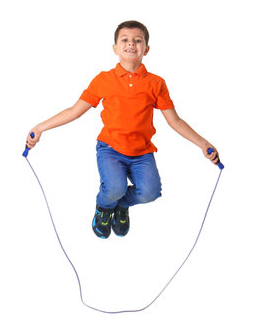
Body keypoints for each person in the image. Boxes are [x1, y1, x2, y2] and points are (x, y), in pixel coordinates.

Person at [26, 20, 220, 239]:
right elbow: (75, 111)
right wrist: (40, 127)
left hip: (142, 152)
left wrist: (203, 144)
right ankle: (104, 207)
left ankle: (120, 206)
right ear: (115, 48)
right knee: (114, 188)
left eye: (138, 40)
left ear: (146, 49)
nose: (131, 44)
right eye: (125, 40)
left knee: (150, 193)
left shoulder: (156, 83)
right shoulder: (103, 80)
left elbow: (174, 121)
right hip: (110, 148)